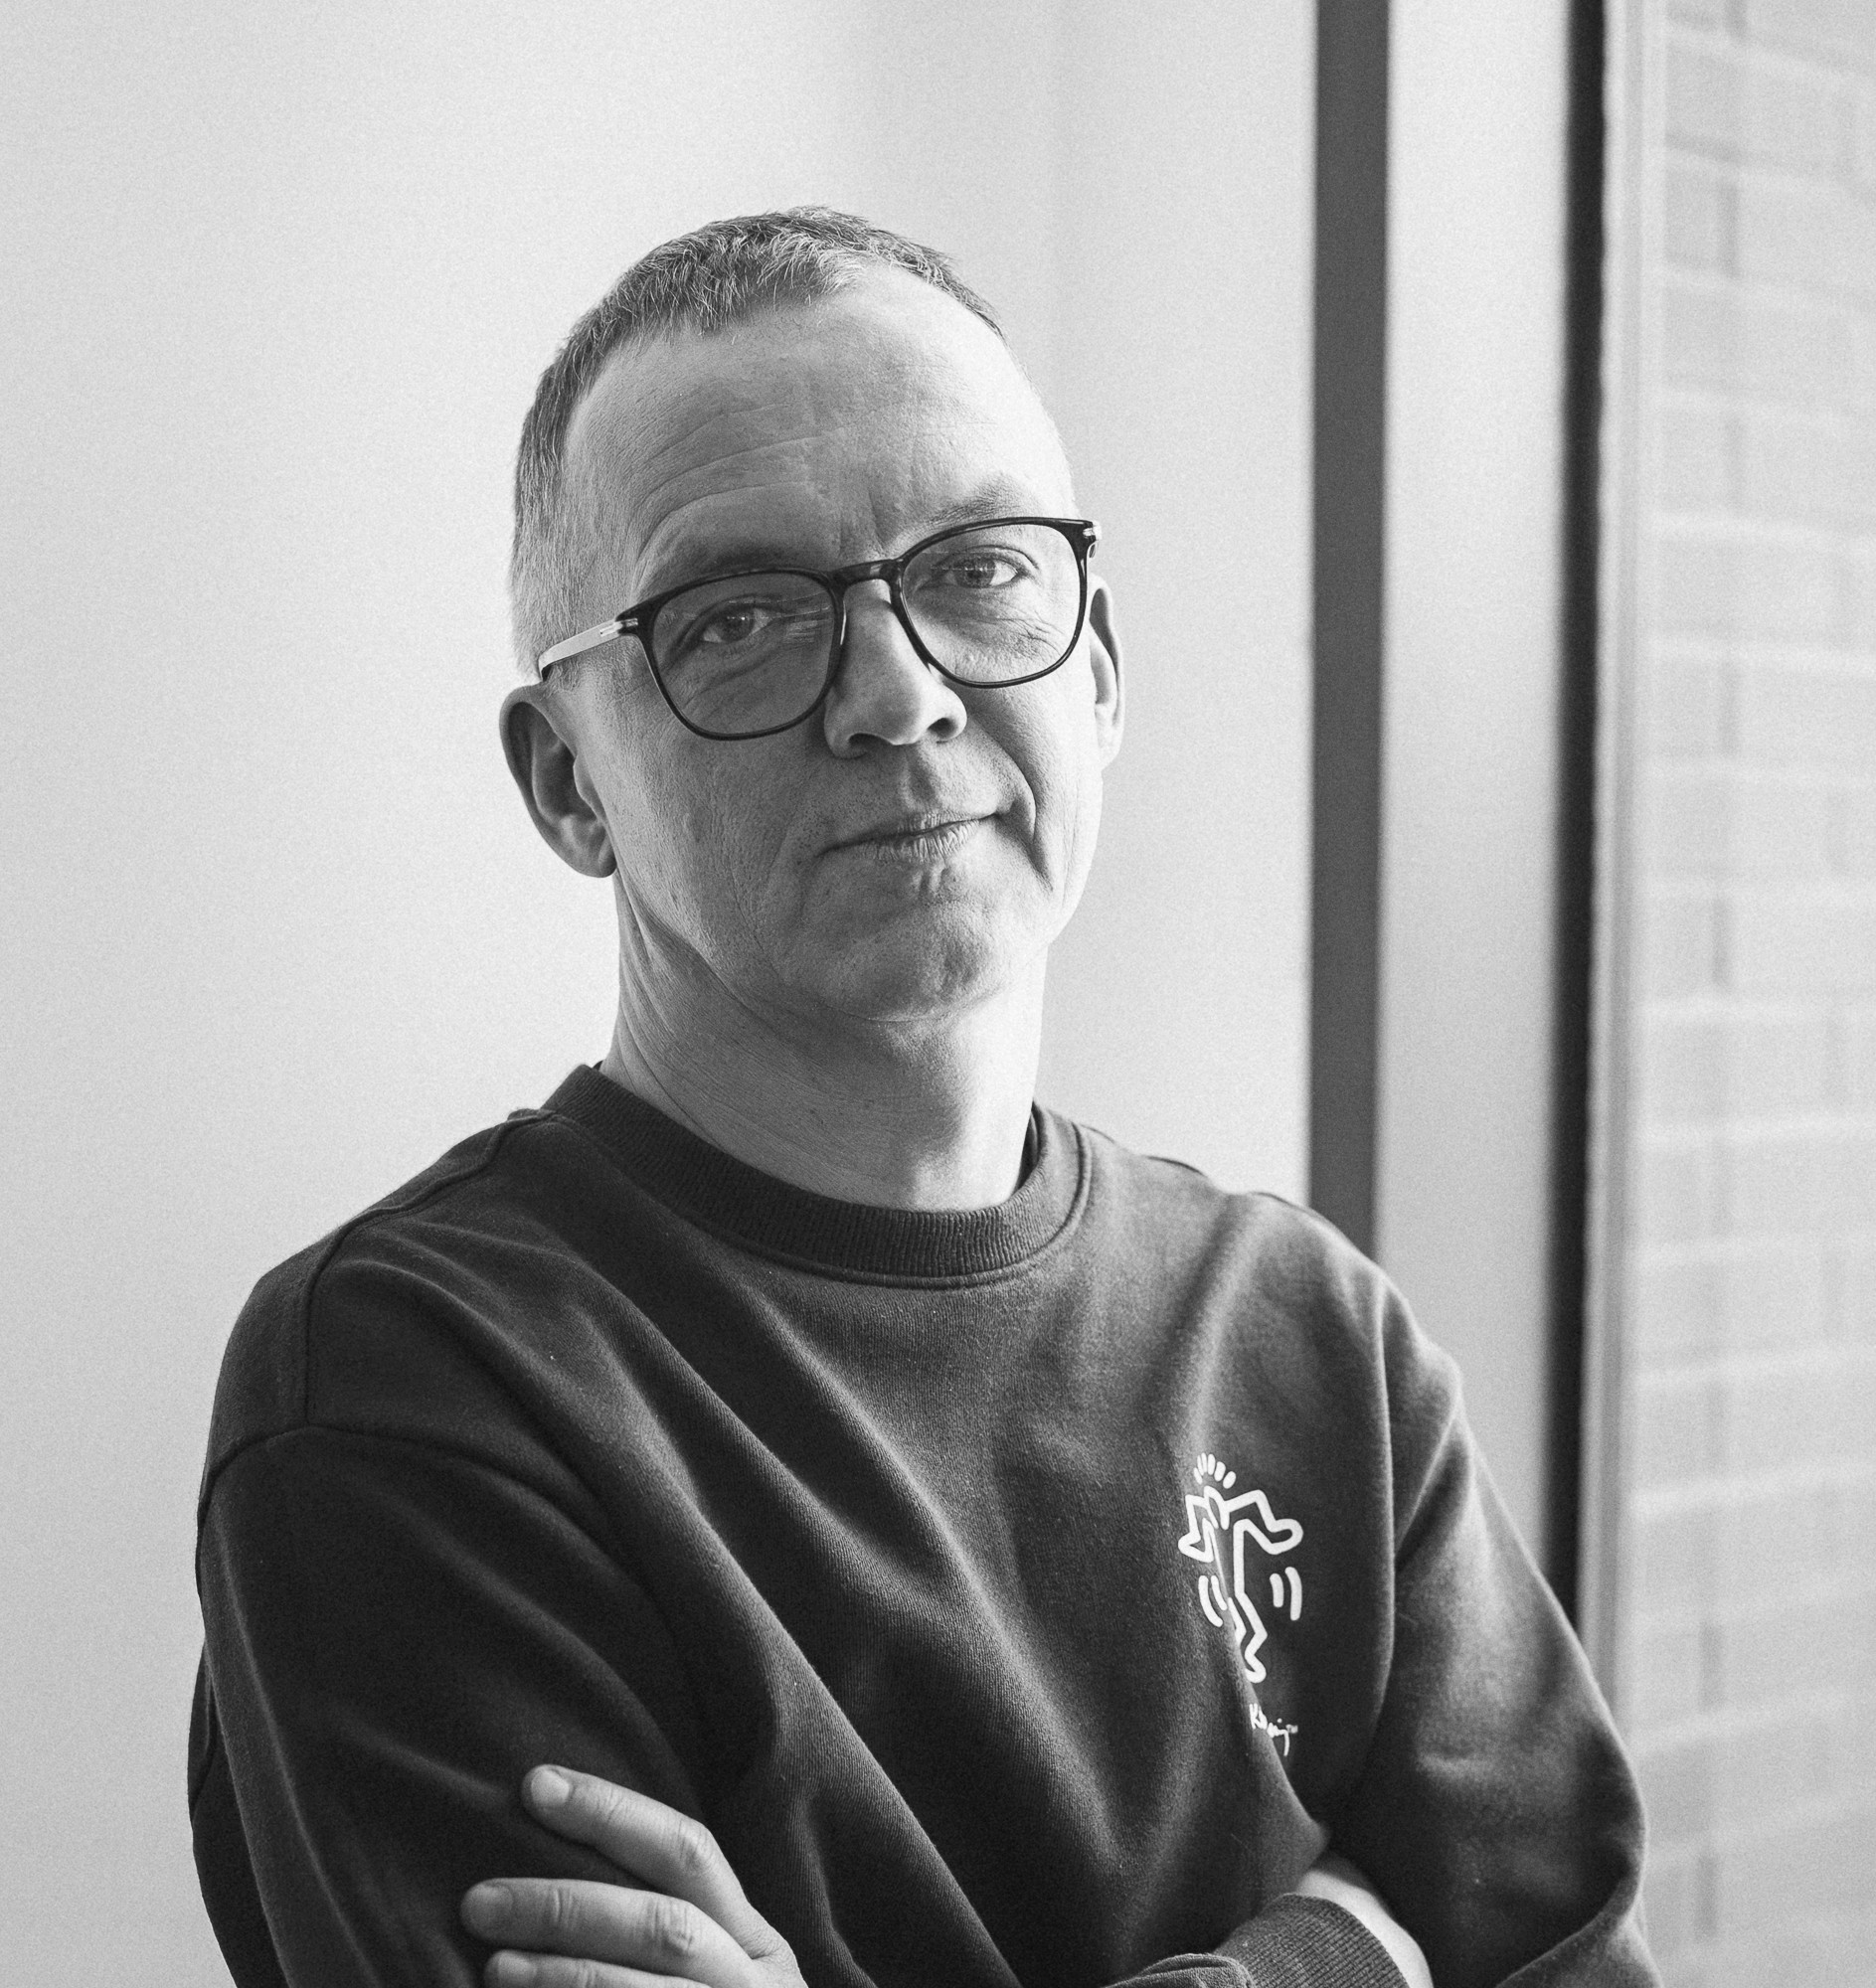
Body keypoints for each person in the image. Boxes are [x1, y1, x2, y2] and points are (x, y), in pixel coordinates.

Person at [190, 209, 1657, 1988]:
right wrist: (1342, 1948)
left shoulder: (1314, 1340)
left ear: (1096, 666)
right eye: (736, 618)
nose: (898, 696)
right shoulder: (414, 1387)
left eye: (978, 569)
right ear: (569, 781)